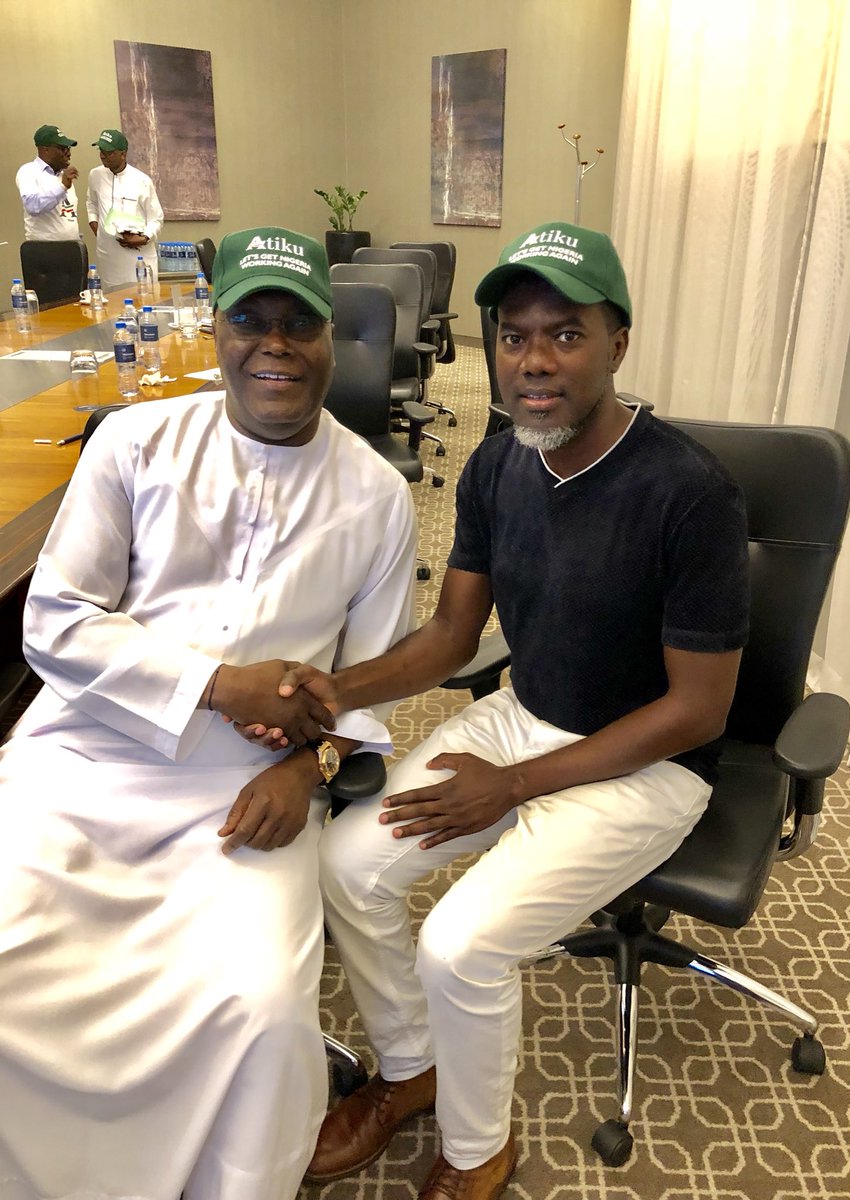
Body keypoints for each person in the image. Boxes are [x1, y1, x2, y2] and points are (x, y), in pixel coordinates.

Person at [241, 221, 751, 1199]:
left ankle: (478, 1154)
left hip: (649, 765)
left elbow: (697, 710)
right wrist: (335, 691)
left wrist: (512, 786)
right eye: (514, 337)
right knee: (347, 866)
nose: (534, 361)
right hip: (525, 717)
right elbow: (451, 636)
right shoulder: (497, 465)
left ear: (618, 343)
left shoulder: (690, 494)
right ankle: (413, 1067)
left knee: (461, 944)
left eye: (566, 334)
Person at [0, 227, 418, 1200]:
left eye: (298, 324)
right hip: (85, 760)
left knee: (260, 1008)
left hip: (246, 794)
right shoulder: (133, 443)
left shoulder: (377, 496)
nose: (275, 345)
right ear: (215, 329)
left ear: (330, 338)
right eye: (250, 320)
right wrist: (220, 684)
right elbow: (54, 622)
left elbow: (374, 686)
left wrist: (307, 769)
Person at [86, 128, 165, 286]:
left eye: (109, 152)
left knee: (140, 297)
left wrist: (143, 238)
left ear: (123, 154)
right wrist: (96, 227)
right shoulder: (95, 175)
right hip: (107, 257)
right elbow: (91, 203)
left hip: (137, 257)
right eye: (101, 151)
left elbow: (156, 218)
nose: (103, 155)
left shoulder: (141, 180)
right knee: (110, 300)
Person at [16, 123, 80, 241]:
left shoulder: (63, 175)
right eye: (63, 149)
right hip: (43, 249)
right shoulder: (28, 171)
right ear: (45, 150)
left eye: (69, 149)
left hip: (71, 247)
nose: (69, 153)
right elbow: (32, 206)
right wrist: (62, 187)